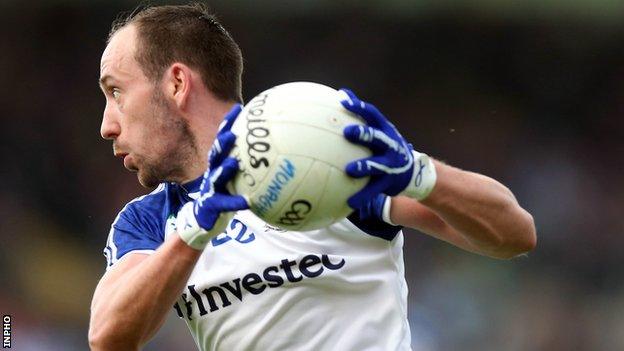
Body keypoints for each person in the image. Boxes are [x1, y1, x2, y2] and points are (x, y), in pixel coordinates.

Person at [88, 3, 536, 351]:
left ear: (177, 84)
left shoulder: (324, 157)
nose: (108, 125)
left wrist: (422, 175)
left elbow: (515, 235)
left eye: (116, 91)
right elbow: (109, 337)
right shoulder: (150, 222)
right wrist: (195, 228)